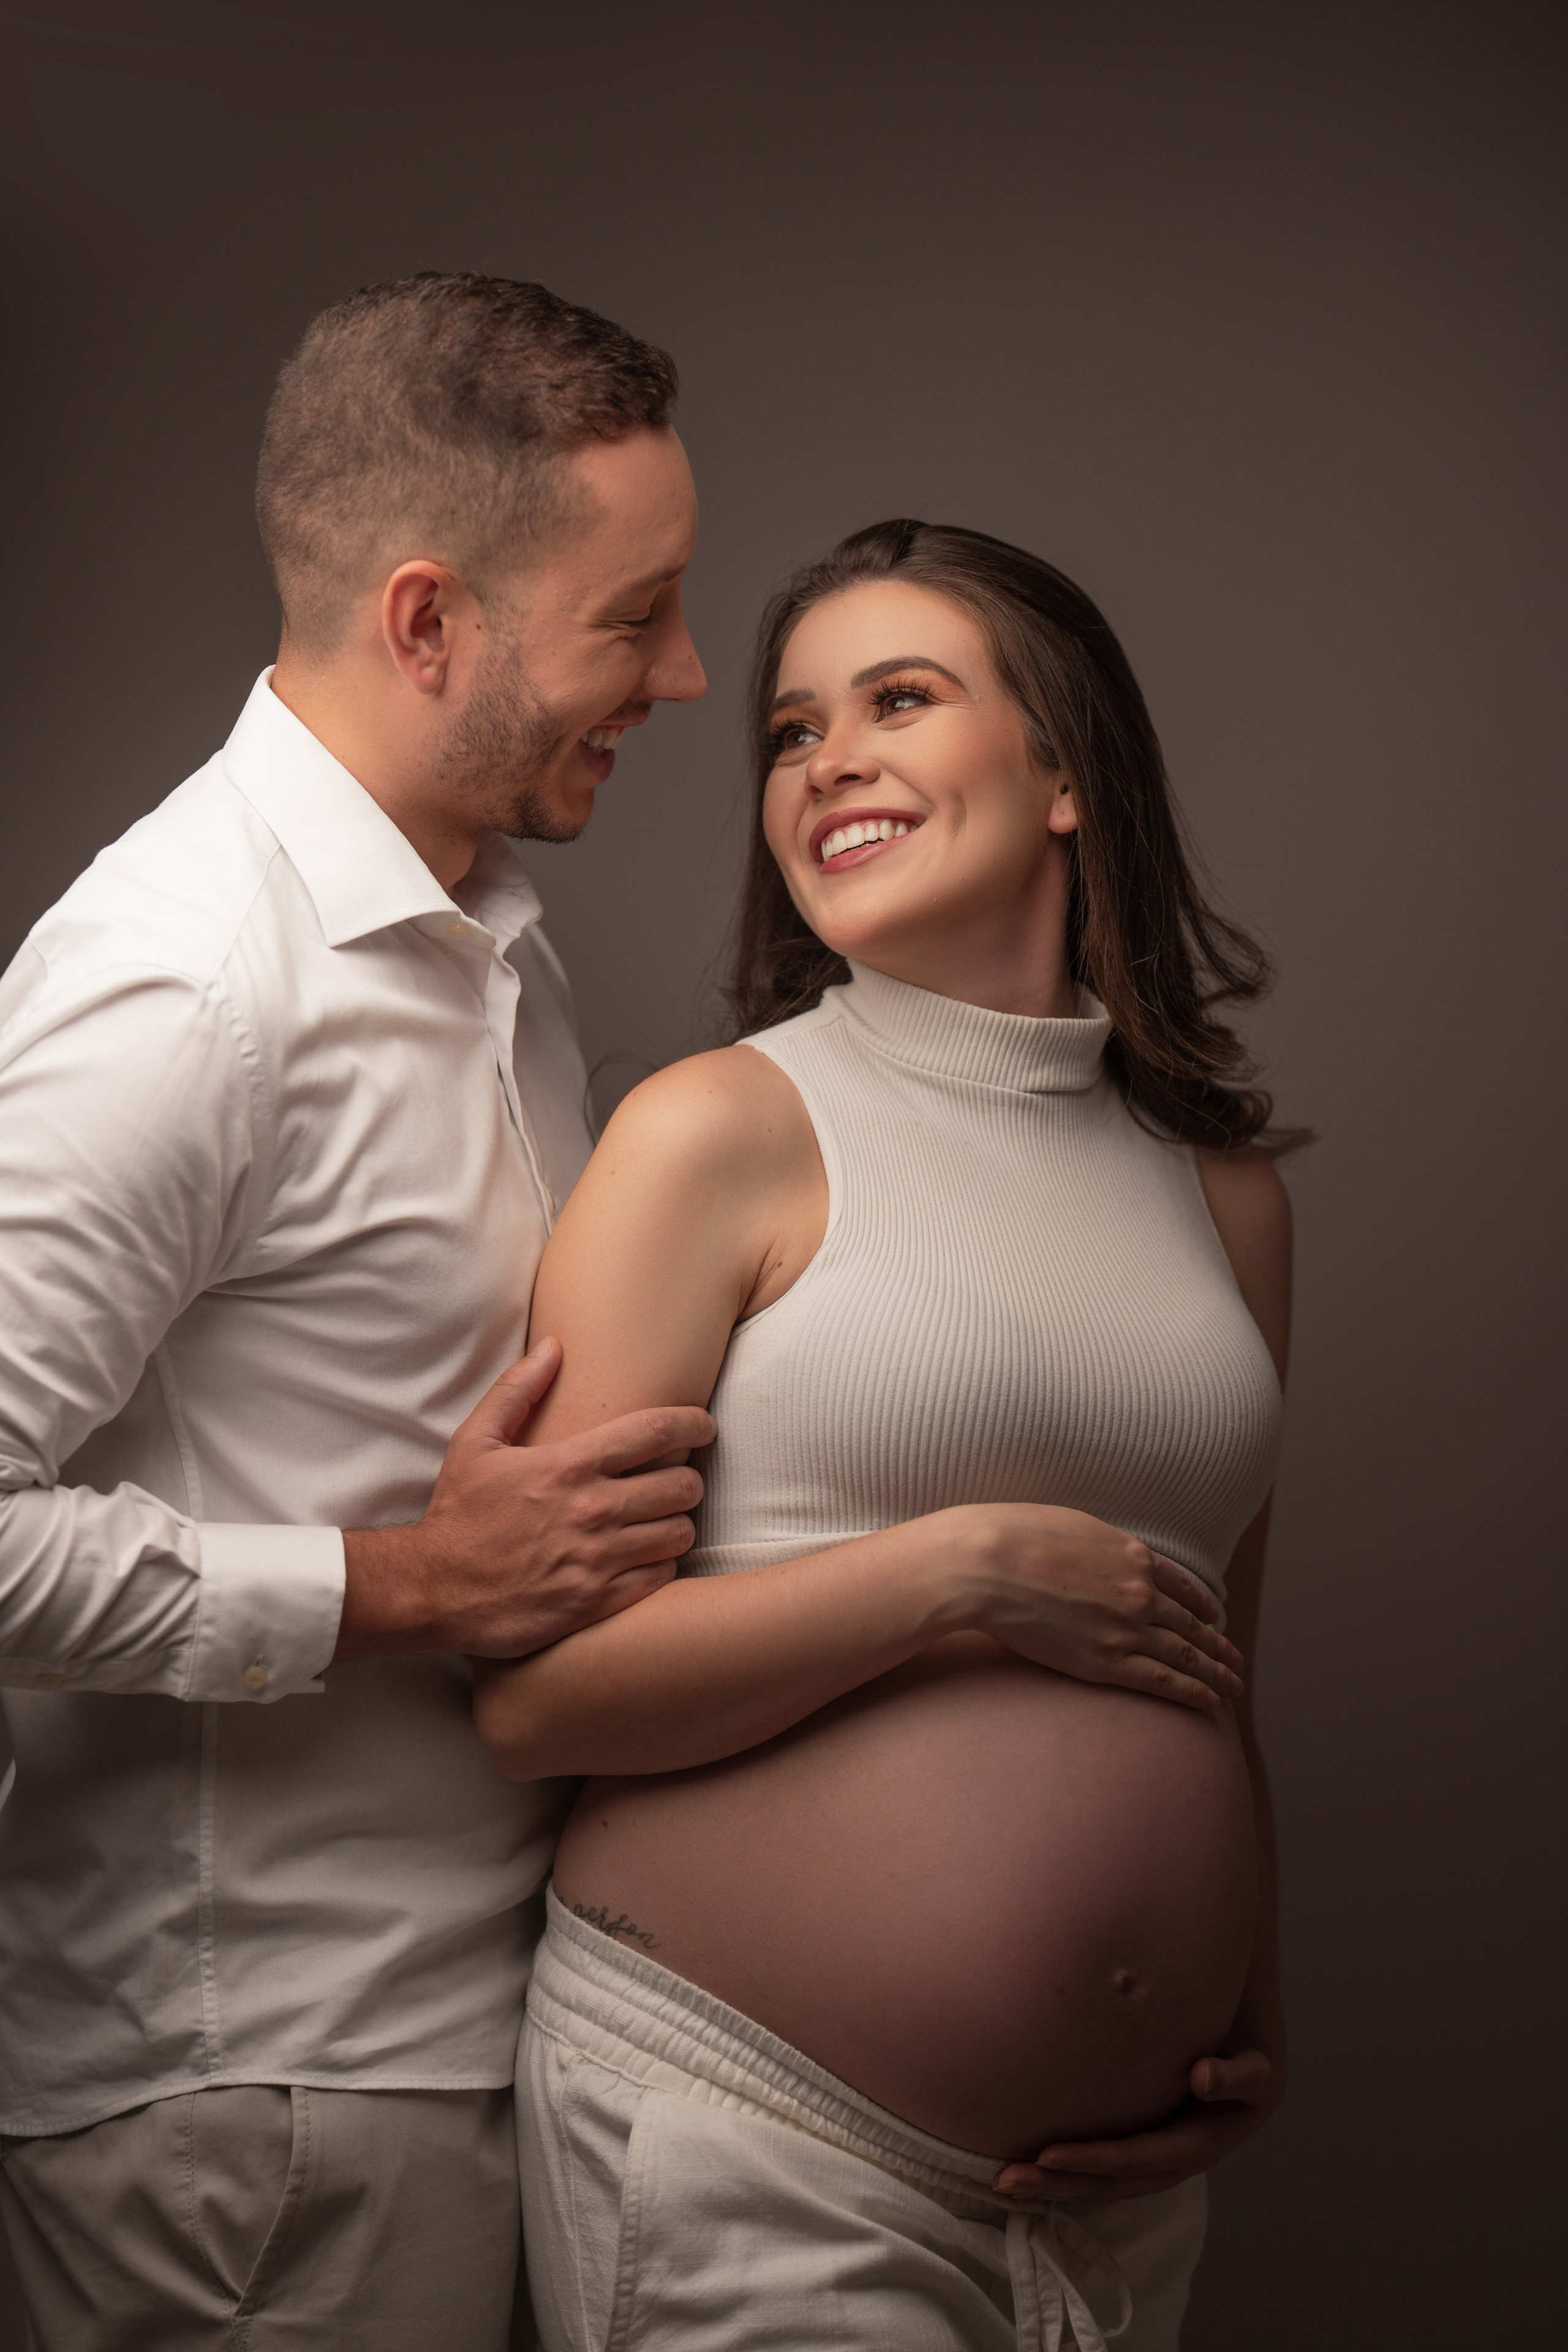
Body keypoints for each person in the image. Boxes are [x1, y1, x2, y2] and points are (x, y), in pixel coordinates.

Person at [475, 520, 1299, 2352]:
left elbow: (1215, 1666)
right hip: (755, 2131)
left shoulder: (1226, 1198)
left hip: (1123, 2196)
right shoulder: (714, 1135)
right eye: (792, 731)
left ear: (1067, 775)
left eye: (899, 701)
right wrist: (957, 1575)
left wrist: (1251, 1997)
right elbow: (537, 1699)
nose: (827, 760)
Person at [0, 271, 720, 2351]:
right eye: (634, 615)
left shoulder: (480, 932)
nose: (683, 674)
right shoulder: (188, 985)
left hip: (447, 2045)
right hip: (254, 2108)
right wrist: (408, 1586)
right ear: (429, 624)